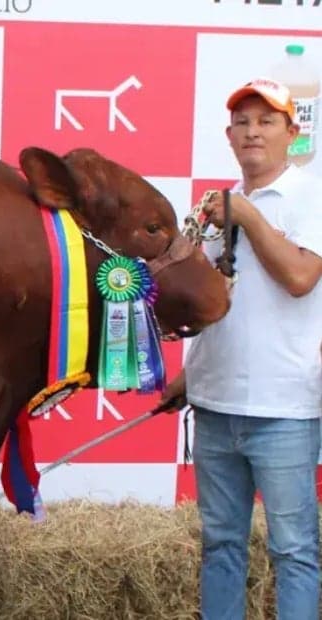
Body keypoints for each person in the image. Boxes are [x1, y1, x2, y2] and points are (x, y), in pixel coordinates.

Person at [158, 77, 322, 620]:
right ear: (228, 135)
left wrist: (249, 217)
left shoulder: (311, 193)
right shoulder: (217, 206)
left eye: (266, 121)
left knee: (294, 551)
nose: (253, 132)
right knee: (220, 545)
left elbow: (300, 277)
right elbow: (216, 303)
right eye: (243, 122)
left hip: (285, 409)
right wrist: (189, 377)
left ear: (292, 134)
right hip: (215, 404)